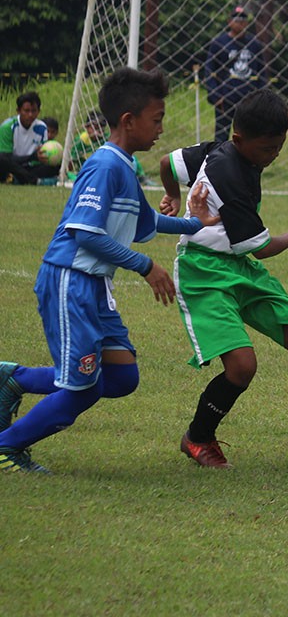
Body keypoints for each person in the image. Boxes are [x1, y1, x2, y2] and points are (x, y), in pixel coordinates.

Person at [0, 68, 216, 474]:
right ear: (129, 120)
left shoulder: (125, 166)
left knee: (121, 377)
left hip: (95, 285)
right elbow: (84, 233)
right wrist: (146, 266)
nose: (161, 129)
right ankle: (7, 446)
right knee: (82, 388)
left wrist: (195, 223)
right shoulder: (104, 166)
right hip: (70, 280)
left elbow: (146, 221)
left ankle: (16, 379)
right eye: (156, 119)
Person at [170, 89, 288, 469]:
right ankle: (198, 436)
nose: (272, 155)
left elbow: (169, 163)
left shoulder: (227, 151)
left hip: (239, 266)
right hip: (204, 271)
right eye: (266, 149)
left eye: (278, 147)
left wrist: (170, 194)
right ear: (239, 139)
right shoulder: (229, 173)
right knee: (242, 366)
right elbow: (260, 248)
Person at [204, 5, 265, 143]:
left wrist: (260, 98)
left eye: (243, 20)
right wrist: (215, 96)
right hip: (225, 99)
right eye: (236, 20)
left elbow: (262, 73)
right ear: (229, 22)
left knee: (248, 137)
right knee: (221, 138)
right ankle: (219, 157)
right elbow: (209, 70)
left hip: (248, 100)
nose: (240, 23)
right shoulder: (219, 43)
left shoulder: (254, 45)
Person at [0, 91, 57, 185]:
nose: (30, 115)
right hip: (12, 165)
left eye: (34, 111)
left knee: (56, 165)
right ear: (18, 111)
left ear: (38, 112)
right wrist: (32, 157)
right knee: (2, 159)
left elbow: (42, 156)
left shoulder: (42, 128)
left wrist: (45, 156)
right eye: (26, 111)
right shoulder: (7, 127)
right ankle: (34, 181)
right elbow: (7, 158)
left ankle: (16, 179)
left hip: (29, 167)